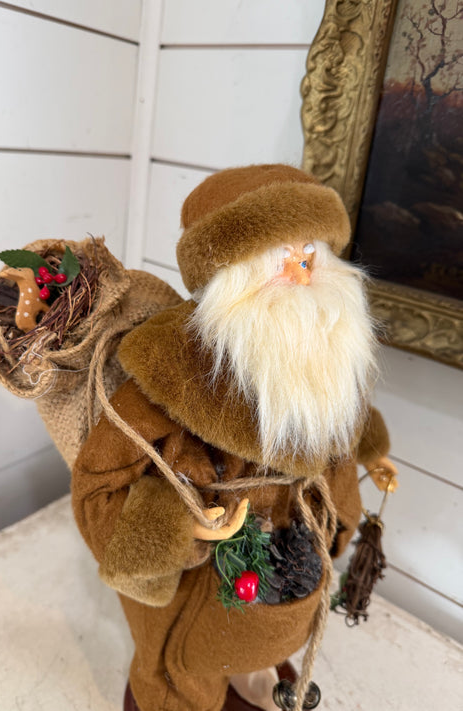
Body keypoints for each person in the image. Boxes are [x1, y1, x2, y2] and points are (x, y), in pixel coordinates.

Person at [71, 164, 396, 711]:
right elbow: (100, 474)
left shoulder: (327, 349)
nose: (300, 270)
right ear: (230, 274)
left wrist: (372, 451)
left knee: (265, 639)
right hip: (202, 578)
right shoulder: (172, 366)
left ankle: (254, 673)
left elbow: (346, 412)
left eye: (311, 252)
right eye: (279, 255)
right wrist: (175, 525)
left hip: (292, 556)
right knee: (180, 669)